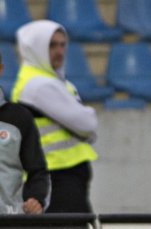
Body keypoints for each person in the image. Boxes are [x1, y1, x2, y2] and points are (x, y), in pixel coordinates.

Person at [12, 20, 98, 213]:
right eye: (51, 45)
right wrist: (88, 114)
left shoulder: (49, 80)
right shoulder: (39, 85)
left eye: (62, 44)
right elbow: (87, 123)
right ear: (36, 48)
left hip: (63, 174)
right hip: (57, 176)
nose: (59, 51)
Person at [0, 51, 50, 214]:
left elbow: (38, 172)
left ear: (0, 70)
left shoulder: (19, 118)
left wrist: (36, 199)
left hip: (9, 226)